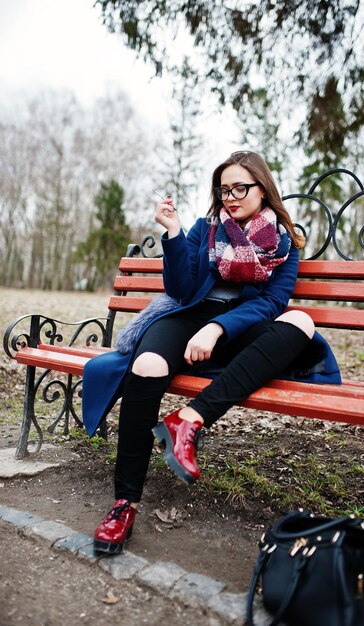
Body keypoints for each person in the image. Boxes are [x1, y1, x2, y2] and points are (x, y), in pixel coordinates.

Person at [83, 151, 341, 555]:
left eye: (241, 187)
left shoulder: (284, 243)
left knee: (301, 322)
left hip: (239, 330)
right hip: (187, 318)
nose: (232, 196)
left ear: (262, 188)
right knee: (147, 364)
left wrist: (218, 327)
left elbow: (272, 303)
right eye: (225, 189)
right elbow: (181, 289)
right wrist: (172, 233)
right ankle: (123, 503)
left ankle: (188, 419)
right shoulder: (205, 230)